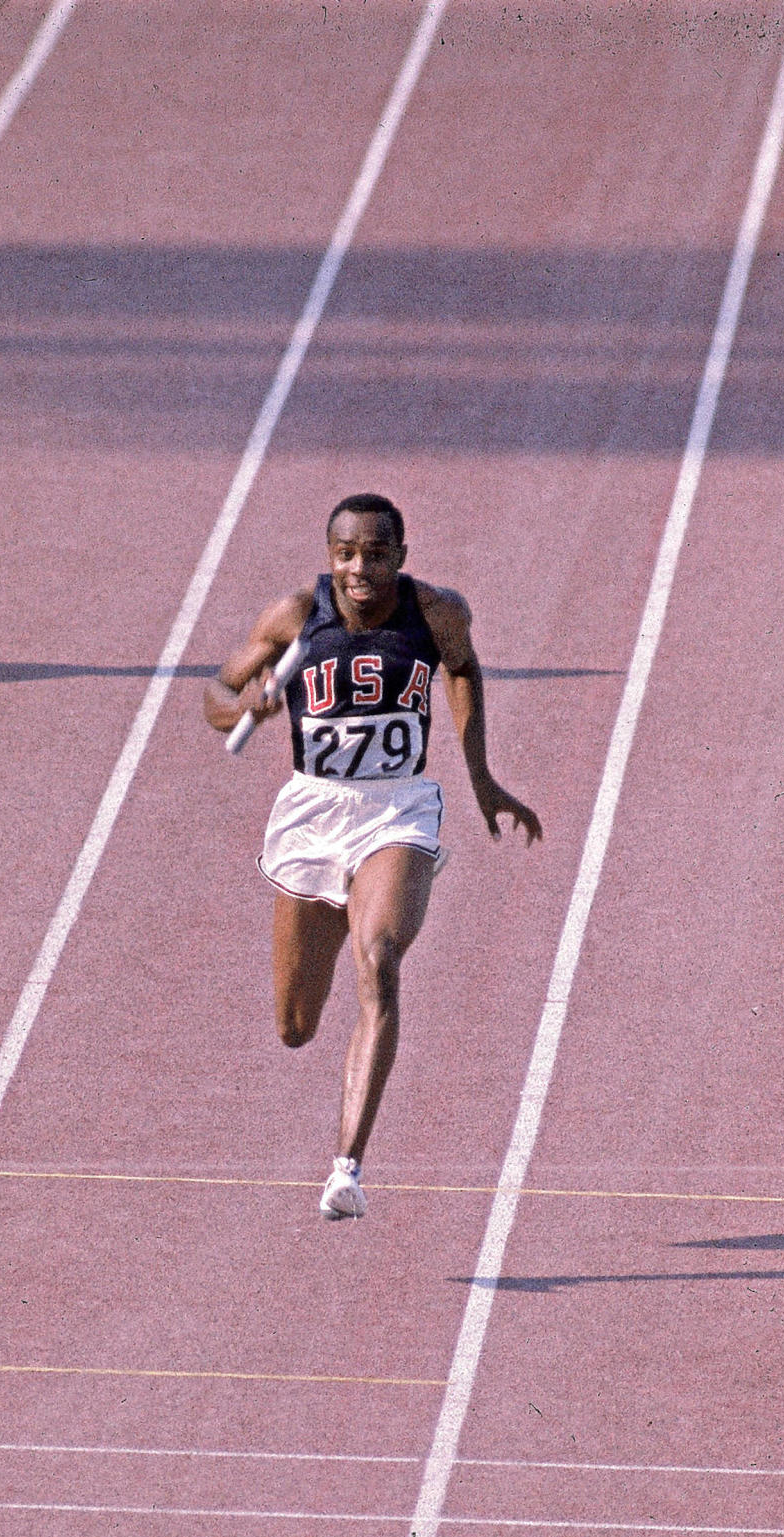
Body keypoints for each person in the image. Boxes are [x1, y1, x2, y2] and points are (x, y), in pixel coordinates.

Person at [204, 493, 541, 1220]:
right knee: (295, 1026)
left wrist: (480, 778)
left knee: (379, 957)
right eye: (347, 554)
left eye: (377, 553)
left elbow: (462, 669)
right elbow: (217, 693)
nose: (362, 567)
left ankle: (346, 1166)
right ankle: (342, 1141)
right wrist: (247, 707)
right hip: (313, 812)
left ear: (401, 556)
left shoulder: (436, 612)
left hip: (397, 808)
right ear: (331, 558)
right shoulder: (295, 616)